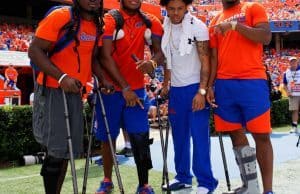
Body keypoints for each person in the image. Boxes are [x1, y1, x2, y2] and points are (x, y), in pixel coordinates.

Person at [28, 0, 104, 193]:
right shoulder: (61, 16)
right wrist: (61, 77)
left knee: (66, 151)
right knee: (55, 152)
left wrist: (103, 80)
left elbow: (91, 58)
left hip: (74, 92)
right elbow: (34, 50)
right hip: (53, 89)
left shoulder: (97, 24)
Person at [94, 0, 164, 193]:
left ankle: (144, 184)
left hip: (137, 91)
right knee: (108, 137)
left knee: (140, 137)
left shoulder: (151, 22)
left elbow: (159, 53)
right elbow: (104, 56)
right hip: (111, 91)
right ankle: (107, 180)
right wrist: (125, 88)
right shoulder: (109, 20)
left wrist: (153, 63)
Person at [207, 0, 274, 193]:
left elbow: (266, 37)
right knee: (235, 133)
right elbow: (214, 56)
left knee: (261, 136)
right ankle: (250, 185)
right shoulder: (215, 20)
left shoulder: (253, 7)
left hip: (252, 80)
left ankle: (267, 190)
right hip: (224, 84)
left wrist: (235, 26)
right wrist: (210, 85)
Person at [159, 0, 218, 193]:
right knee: (180, 137)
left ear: (186, 8)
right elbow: (169, 59)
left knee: (199, 137)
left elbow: (206, 62)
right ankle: (183, 177)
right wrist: (166, 84)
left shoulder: (198, 27)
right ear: (165, 8)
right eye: (171, 9)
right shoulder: (165, 26)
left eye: (180, 9)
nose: (175, 13)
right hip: (176, 90)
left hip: (195, 88)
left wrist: (202, 91)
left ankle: (206, 182)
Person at [283, 56, 300, 133]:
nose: (293, 62)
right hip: (293, 94)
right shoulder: (286, 72)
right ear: (289, 63)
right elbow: (285, 84)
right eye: (291, 61)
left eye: (294, 61)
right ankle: (294, 127)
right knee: (294, 111)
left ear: (297, 62)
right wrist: (287, 92)